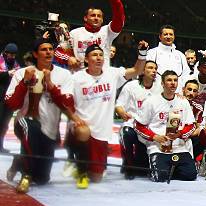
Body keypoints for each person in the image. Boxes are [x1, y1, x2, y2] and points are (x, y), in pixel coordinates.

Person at [66, 41, 148, 189]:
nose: (98, 58)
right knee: (83, 132)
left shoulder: (112, 74)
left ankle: (84, 167)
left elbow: (137, 70)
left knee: (96, 178)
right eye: (94, 55)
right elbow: (65, 102)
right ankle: (79, 167)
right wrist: (74, 119)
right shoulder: (76, 78)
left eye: (100, 55)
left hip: (101, 132)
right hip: (82, 127)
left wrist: (142, 54)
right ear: (86, 59)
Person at [4, 39, 73, 193]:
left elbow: (68, 103)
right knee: (31, 126)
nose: (49, 52)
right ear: (35, 54)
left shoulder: (64, 75)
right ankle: (26, 175)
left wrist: (51, 86)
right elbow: (11, 104)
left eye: (51, 49)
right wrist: (24, 83)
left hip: (49, 129)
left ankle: (19, 161)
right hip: (24, 121)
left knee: (42, 179)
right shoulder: (22, 73)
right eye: (44, 49)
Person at [134, 71, 198, 182]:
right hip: (158, 147)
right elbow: (138, 126)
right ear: (162, 84)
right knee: (160, 178)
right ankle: (159, 168)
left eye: (175, 80)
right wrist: (155, 137)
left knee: (190, 175)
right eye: (169, 80)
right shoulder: (151, 101)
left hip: (179, 147)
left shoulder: (183, 102)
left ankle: (169, 169)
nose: (173, 83)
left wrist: (179, 134)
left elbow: (191, 125)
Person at [115, 60, 161, 179]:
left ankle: (142, 163)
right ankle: (128, 165)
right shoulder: (131, 86)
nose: (154, 71)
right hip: (132, 124)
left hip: (150, 128)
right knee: (126, 133)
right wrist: (122, 113)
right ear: (142, 71)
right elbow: (119, 104)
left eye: (155, 68)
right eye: (150, 68)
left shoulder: (160, 88)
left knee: (142, 168)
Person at [69, 0, 125, 70]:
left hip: (103, 78)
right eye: (93, 15)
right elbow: (61, 51)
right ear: (85, 18)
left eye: (99, 16)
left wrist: (114, 0)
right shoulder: (74, 33)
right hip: (79, 77)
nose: (96, 18)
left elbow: (119, 20)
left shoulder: (107, 31)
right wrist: (69, 57)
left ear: (102, 20)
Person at [0, 43, 20, 153]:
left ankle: (0, 146)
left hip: (9, 97)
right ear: (5, 52)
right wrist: (7, 74)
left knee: (5, 123)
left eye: (14, 55)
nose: (12, 57)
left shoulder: (15, 64)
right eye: (10, 54)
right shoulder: (0, 61)